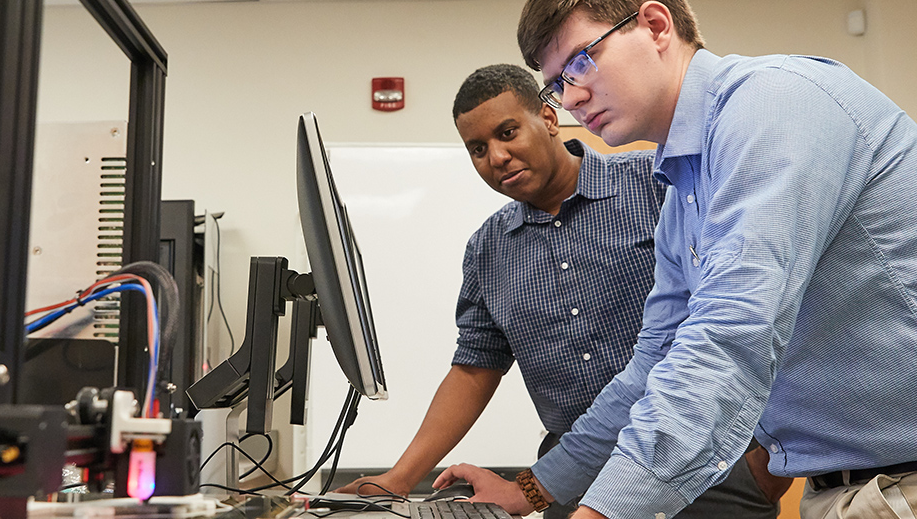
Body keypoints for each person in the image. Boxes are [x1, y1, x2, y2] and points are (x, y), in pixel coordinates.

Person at [433, 0, 917, 518]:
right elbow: (655, 361)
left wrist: (604, 511)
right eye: (555, 82)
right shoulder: (681, 178)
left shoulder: (771, 107)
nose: (571, 96)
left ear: (656, 27)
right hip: (858, 490)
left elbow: (729, 333)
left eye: (580, 61)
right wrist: (536, 489)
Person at [334, 64, 782, 519]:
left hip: (703, 465)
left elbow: (755, 310)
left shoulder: (653, 186)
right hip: (570, 478)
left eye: (508, 132)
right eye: (478, 148)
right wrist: (400, 477)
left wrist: (768, 466)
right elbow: (474, 370)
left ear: (549, 118)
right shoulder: (487, 250)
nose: (497, 156)